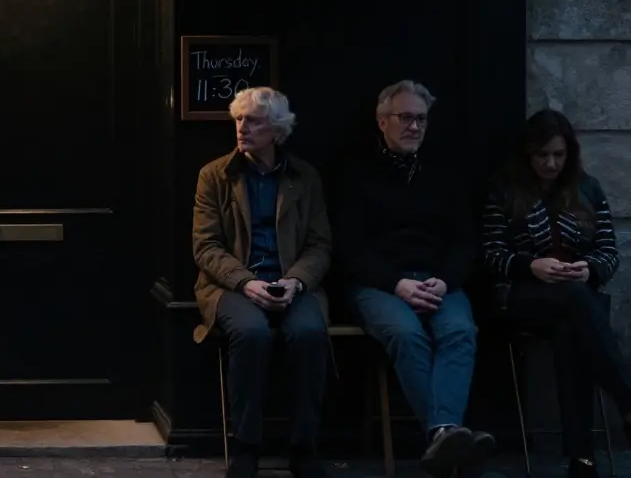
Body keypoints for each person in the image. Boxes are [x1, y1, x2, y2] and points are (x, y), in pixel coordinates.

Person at [335, 80, 493, 478]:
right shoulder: (356, 175)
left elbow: (464, 241)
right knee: (407, 335)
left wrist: (444, 279)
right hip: (380, 285)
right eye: (405, 118)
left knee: (460, 330)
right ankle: (448, 437)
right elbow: (350, 249)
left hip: (437, 280)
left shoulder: (443, 174)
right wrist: (397, 285)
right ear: (381, 121)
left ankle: (441, 434)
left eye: (421, 119)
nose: (414, 127)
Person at [482, 109, 631, 476]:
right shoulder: (505, 190)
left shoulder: (587, 188)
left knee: (572, 326)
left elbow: (608, 252)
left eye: (558, 154)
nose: (551, 163)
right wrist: (531, 265)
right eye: (542, 155)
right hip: (522, 295)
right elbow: (491, 254)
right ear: (528, 154)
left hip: (576, 298)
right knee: (576, 303)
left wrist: (588, 268)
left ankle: (582, 459)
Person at [191, 87, 332, 478]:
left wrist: (295, 282)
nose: (242, 128)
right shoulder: (215, 175)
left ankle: (303, 447)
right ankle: (247, 445)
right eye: (238, 119)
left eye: (252, 120)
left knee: (308, 334)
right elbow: (206, 247)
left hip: (290, 283)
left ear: (277, 129)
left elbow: (320, 246)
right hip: (232, 286)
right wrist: (246, 282)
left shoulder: (305, 178)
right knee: (252, 335)